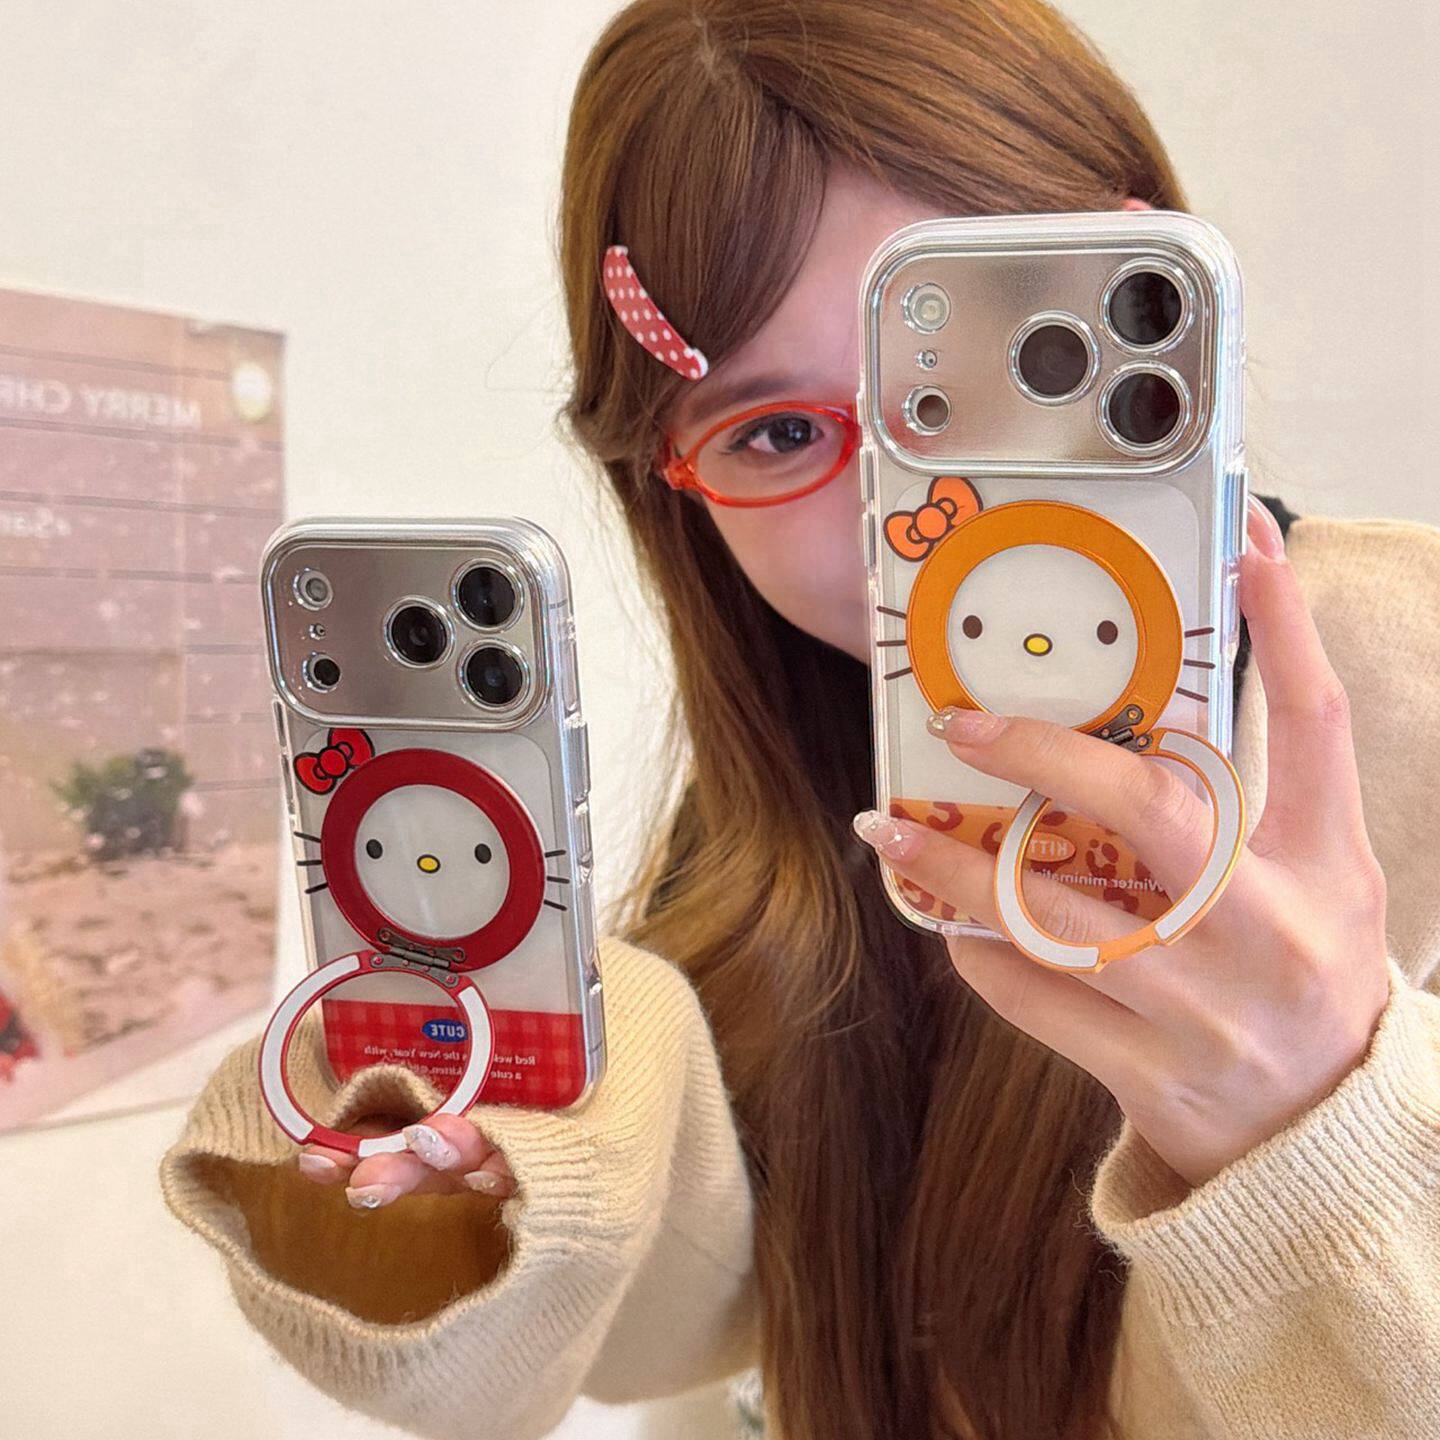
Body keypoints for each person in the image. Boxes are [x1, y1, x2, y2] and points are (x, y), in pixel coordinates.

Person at [159, 3, 1440, 1437]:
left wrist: (1331, 1134)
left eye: (948, 400)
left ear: (1155, 302)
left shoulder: (1419, 676)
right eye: (775, 431)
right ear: (670, 480)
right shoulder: (785, 809)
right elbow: (694, 1331)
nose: (896, 529)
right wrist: (510, 1167)